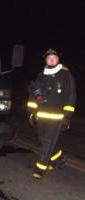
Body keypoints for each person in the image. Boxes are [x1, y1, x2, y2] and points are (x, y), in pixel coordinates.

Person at [27, 49, 76, 179]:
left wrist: (67, 117)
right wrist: (31, 112)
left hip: (57, 117)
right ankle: (59, 157)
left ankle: (39, 169)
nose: (52, 60)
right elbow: (33, 95)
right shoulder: (41, 75)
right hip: (41, 115)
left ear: (58, 59)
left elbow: (71, 97)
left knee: (48, 141)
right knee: (43, 141)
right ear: (46, 60)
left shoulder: (66, 75)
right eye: (49, 58)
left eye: (54, 57)